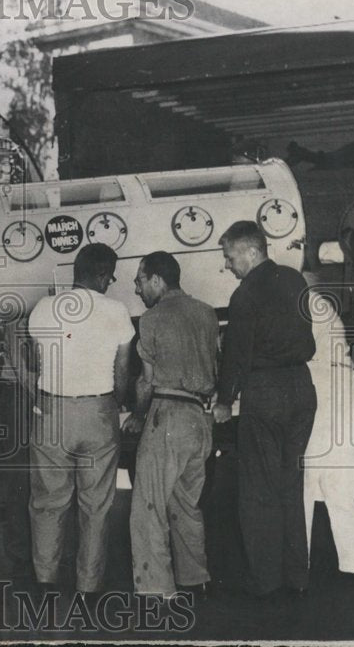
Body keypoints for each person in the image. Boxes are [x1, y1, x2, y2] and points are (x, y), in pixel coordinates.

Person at [212, 221, 317, 599]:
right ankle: (297, 577)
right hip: (302, 388)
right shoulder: (295, 280)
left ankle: (266, 581)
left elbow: (236, 358)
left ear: (251, 252)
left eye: (229, 257)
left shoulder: (245, 296)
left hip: (266, 390)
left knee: (259, 488)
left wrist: (224, 401)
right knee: (291, 484)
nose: (227, 265)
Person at [26, 243, 134, 597]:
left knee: (48, 502)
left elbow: (36, 362)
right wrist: (116, 404)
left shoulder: (43, 308)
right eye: (110, 277)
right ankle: (88, 588)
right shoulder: (116, 311)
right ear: (103, 276)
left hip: (52, 414)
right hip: (98, 413)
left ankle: (45, 582)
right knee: (96, 505)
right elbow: (122, 371)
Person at [125, 251, 219, 598]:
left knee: (149, 504)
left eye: (139, 280)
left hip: (167, 414)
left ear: (157, 280)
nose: (137, 288)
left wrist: (137, 415)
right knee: (186, 503)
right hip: (200, 418)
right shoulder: (206, 312)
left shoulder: (151, 319)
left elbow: (146, 381)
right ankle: (196, 577)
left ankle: (155, 587)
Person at [301, 285, 354, 585]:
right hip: (345, 382)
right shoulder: (317, 303)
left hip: (320, 384)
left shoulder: (296, 302)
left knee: (304, 480)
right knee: (346, 480)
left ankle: (297, 567)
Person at [0, 316, 38, 583]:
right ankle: (22, 555)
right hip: (21, 396)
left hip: (33, 395)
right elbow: (21, 369)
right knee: (20, 478)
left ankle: (39, 551)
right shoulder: (18, 312)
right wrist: (46, 398)